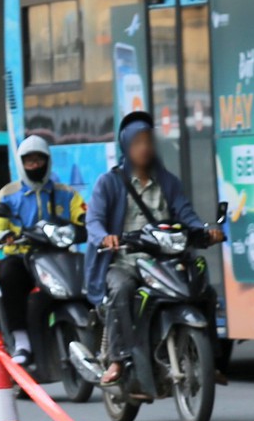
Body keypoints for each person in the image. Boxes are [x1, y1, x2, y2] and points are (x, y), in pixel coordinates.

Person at [85, 110, 221, 386]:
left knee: (204, 289)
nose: (144, 148)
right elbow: (94, 220)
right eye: (137, 142)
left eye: (148, 141)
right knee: (122, 289)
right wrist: (105, 237)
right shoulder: (109, 183)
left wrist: (205, 231)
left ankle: (210, 360)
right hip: (124, 263)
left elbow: (186, 214)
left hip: (165, 263)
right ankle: (117, 358)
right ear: (126, 146)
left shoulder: (168, 182)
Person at [0, 133, 85, 368]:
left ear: (48, 161)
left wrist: (87, 224)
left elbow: (83, 215)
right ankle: (21, 342)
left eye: (39, 160)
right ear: (21, 163)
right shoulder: (7, 194)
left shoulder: (66, 193)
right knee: (10, 276)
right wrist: (3, 237)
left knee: (86, 274)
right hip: (22, 256)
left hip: (57, 255)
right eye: (29, 161)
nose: (34, 165)